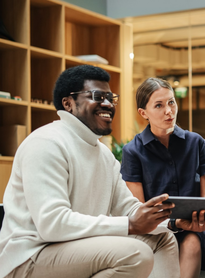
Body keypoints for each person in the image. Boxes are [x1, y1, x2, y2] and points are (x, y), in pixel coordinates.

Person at [0, 65, 182, 278]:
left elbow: (128, 208)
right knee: (135, 253)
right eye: (97, 96)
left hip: (76, 248)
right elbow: (53, 224)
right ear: (68, 104)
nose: (107, 104)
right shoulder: (46, 143)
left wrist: (172, 222)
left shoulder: (104, 155)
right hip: (30, 257)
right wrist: (129, 225)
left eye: (110, 98)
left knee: (163, 238)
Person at [121, 77, 205, 278]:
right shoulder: (132, 151)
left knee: (193, 241)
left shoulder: (196, 143)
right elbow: (139, 209)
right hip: (156, 230)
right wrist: (174, 224)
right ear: (144, 113)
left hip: (196, 228)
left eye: (171, 102)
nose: (169, 111)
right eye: (158, 105)